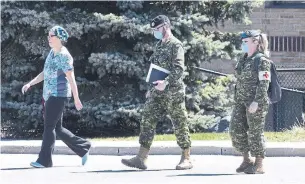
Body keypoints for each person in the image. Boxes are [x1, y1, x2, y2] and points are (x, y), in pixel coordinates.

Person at [121, 15, 192, 170]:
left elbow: (179, 69)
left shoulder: (176, 45)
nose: (155, 32)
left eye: (157, 29)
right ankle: (141, 158)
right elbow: (156, 69)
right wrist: (152, 89)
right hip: (157, 92)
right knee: (147, 119)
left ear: (165, 26)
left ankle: (186, 158)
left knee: (179, 123)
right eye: (153, 29)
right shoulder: (159, 45)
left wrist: (165, 83)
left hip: (173, 92)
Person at [22, 26, 91, 168]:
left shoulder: (64, 56)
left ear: (60, 38)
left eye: (51, 36)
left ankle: (44, 161)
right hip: (49, 94)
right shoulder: (52, 53)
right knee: (57, 128)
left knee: (49, 127)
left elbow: (71, 79)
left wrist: (76, 98)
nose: (48, 38)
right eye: (48, 36)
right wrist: (30, 84)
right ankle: (83, 147)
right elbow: (45, 73)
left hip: (58, 95)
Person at [229, 30, 272, 174]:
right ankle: (247, 160)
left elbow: (264, 83)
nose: (243, 44)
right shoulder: (244, 59)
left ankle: (259, 163)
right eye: (242, 42)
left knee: (255, 132)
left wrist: (257, 102)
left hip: (254, 102)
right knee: (236, 130)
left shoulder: (262, 60)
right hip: (240, 101)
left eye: (245, 42)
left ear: (255, 42)